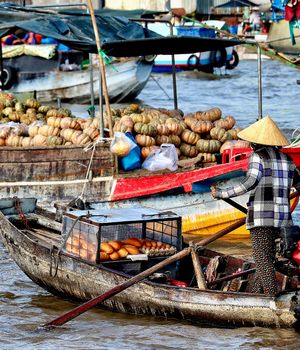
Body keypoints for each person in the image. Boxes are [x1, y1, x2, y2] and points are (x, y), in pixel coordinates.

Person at [211, 116, 300, 296]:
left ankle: (271, 298)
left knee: (261, 259)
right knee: (269, 259)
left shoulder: (258, 157)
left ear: (257, 142)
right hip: (283, 219)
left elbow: (248, 184)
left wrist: (221, 193)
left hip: (262, 218)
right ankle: (258, 294)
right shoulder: (288, 160)